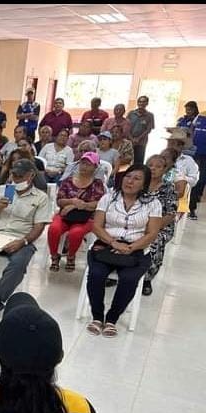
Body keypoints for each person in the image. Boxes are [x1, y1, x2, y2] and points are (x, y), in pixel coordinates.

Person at [0, 159, 50, 323]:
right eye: (13, 175)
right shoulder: (1, 190)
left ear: (31, 175)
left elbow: (39, 227)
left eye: (20, 176)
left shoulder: (41, 197)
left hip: (21, 238)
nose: (15, 179)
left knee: (18, 263)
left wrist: (23, 242)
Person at [86, 165, 162, 337]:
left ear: (144, 184)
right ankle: (97, 317)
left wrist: (130, 248)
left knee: (129, 278)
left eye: (136, 178)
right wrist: (114, 243)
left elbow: (152, 233)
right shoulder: (108, 198)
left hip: (137, 248)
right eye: (128, 176)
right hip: (106, 244)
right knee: (96, 274)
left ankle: (112, 319)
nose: (130, 181)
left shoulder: (153, 203)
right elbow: (96, 226)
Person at [48, 152, 106, 273]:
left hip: (86, 218)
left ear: (95, 167)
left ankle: (71, 256)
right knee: (54, 228)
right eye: (82, 163)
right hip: (65, 215)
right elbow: (59, 201)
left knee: (76, 233)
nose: (84, 166)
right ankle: (54, 256)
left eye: (88, 164)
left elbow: (98, 204)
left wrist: (76, 206)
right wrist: (72, 201)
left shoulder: (97, 184)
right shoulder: (68, 181)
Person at [142, 155, 178, 296]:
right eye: (150, 165)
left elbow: (170, 214)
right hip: (137, 222)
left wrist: (152, 229)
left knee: (155, 241)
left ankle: (147, 279)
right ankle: (117, 269)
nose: (153, 169)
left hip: (161, 226)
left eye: (158, 166)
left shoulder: (168, 188)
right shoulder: (139, 183)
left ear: (164, 170)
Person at [127, 96, 155, 165]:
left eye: (143, 102)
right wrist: (131, 138)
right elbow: (126, 127)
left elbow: (148, 129)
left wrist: (138, 139)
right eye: (140, 102)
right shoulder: (131, 113)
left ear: (147, 103)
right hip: (129, 141)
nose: (141, 103)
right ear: (137, 103)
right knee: (127, 159)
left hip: (141, 142)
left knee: (138, 161)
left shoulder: (150, 115)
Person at [189, 109, 206, 219]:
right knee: (192, 179)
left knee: (201, 180)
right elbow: (191, 129)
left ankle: (192, 206)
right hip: (194, 154)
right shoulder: (201, 115)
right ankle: (190, 207)